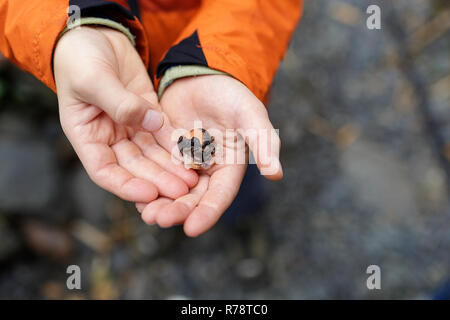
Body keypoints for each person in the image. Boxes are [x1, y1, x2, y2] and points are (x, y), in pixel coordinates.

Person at [0, 0, 303, 237]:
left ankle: (243, 217)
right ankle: (180, 222)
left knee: (235, 174)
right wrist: (71, 29)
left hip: (214, 77)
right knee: (158, 184)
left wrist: (221, 60)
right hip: (117, 77)